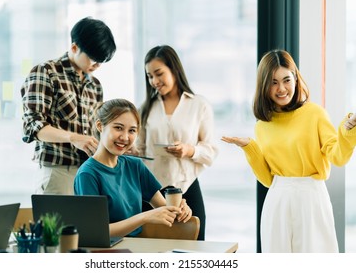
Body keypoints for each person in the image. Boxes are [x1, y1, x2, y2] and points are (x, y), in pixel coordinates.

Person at [221, 49, 356, 253]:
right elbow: (268, 179)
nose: (281, 88)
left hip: (311, 199)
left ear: (296, 79)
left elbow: (337, 156)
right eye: (273, 82)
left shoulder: (314, 114)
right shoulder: (263, 125)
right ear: (264, 86)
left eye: (286, 80)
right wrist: (249, 147)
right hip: (278, 200)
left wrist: (347, 131)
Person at [21, 17, 116, 195]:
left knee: (91, 223)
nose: (97, 66)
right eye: (93, 59)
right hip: (57, 171)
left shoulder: (95, 85)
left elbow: (96, 130)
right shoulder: (46, 72)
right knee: (56, 224)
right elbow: (32, 126)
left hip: (89, 172)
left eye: (101, 61)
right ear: (74, 47)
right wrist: (74, 138)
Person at [73, 98, 192, 237]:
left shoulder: (135, 166)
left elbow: (165, 209)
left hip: (138, 246)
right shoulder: (87, 174)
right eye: (118, 128)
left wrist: (180, 210)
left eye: (132, 130)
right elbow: (95, 231)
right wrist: (144, 217)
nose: (125, 137)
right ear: (100, 126)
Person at [135, 45, 218, 240]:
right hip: (152, 191)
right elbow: (139, 149)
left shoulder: (199, 105)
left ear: (174, 69)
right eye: (149, 76)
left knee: (194, 247)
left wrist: (189, 150)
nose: (154, 81)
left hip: (187, 187)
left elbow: (211, 151)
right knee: (151, 248)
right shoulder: (145, 108)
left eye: (159, 74)